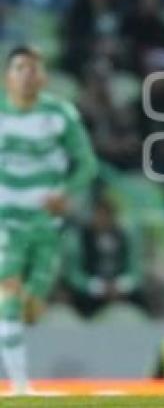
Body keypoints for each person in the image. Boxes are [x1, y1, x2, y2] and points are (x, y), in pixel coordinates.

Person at [0, 46, 97, 395]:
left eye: (34, 68)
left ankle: (27, 305)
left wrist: (66, 193)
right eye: (20, 67)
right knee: (7, 294)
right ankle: (20, 386)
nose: (27, 74)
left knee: (32, 306)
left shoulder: (60, 114)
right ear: (8, 76)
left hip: (46, 225)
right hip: (6, 222)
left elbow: (87, 164)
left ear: (43, 77)